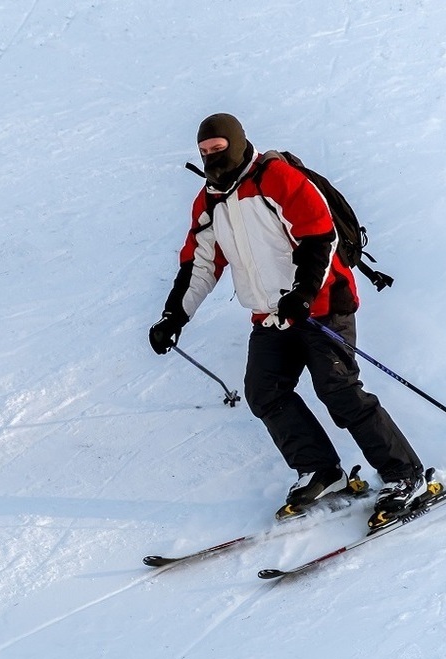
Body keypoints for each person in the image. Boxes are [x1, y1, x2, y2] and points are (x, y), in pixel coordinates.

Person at [149, 112, 428, 524]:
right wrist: (174, 316)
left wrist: (303, 293)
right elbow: (200, 263)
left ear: (238, 142)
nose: (211, 158)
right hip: (271, 315)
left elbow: (320, 235)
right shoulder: (210, 201)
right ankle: (321, 470)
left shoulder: (275, 177)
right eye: (204, 152)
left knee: (338, 389)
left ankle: (405, 475)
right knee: (264, 392)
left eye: (218, 149)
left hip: (322, 306)